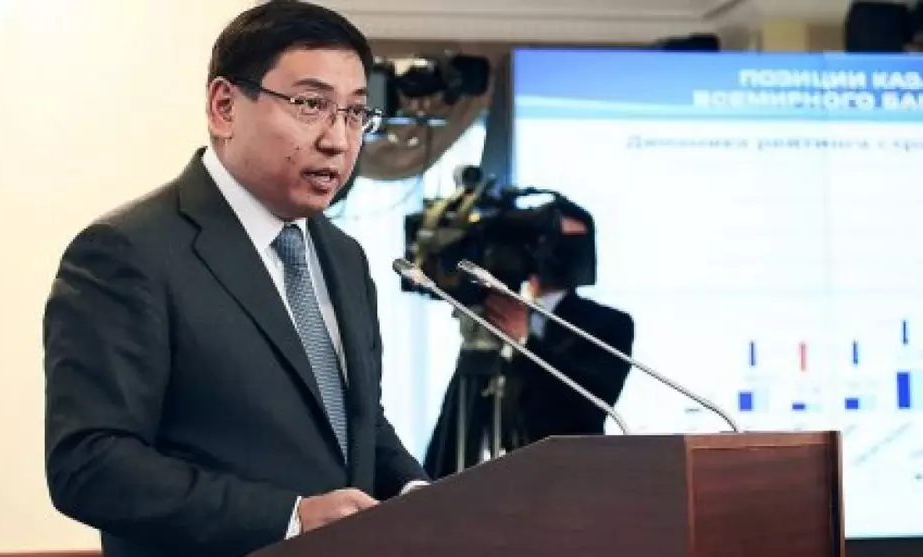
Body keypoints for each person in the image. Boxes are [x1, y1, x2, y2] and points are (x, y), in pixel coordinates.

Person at [42, 2, 428, 556]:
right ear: (224, 107)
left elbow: (353, 426)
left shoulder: (345, 257)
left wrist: (417, 493)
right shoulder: (127, 252)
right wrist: (288, 518)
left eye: (354, 113)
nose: (338, 140)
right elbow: (90, 464)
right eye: (311, 105)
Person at [423, 200, 635, 478]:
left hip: (567, 477)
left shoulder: (608, 323)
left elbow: (589, 405)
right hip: (493, 481)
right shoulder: (489, 322)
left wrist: (525, 341)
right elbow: (454, 434)